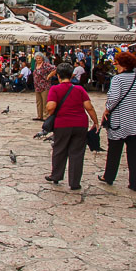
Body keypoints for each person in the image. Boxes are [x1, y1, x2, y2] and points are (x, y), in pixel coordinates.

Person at [99, 51, 136, 191]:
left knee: (114, 151)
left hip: (121, 121)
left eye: (116, 62)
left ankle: (109, 176)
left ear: (121, 64)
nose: (115, 65)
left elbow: (114, 98)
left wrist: (107, 109)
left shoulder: (118, 79)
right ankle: (135, 183)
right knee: (135, 153)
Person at [44, 62, 99, 190]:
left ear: (58, 76)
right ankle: (74, 182)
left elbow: (51, 107)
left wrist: (50, 109)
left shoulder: (55, 89)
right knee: (77, 153)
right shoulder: (79, 89)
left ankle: (56, 175)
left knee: (59, 150)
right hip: (80, 124)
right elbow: (89, 107)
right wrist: (95, 121)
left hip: (62, 124)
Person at [32, 52, 56, 121]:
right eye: (37, 58)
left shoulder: (46, 65)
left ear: (42, 58)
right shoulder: (36, 65)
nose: (38, 59)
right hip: (37, 86)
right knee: (38, 101)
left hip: (45, 86)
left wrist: (49, 76)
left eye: (39, 58)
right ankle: (40, 115)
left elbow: (55, 69)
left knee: (45, 101)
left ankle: (46, 115)